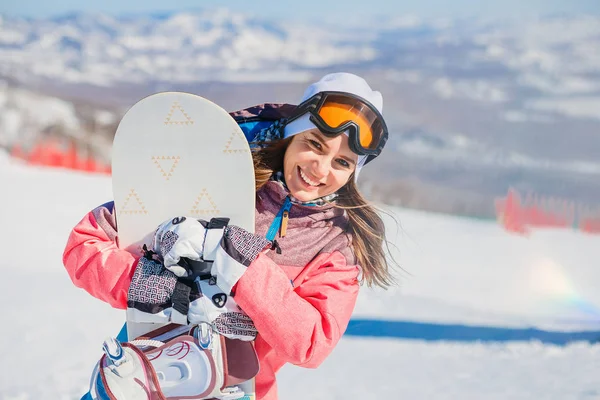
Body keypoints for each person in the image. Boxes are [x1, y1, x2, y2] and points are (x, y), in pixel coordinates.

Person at [63, 72, 396, 400]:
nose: (321, 170)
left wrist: (242, 268)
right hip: (142, 378)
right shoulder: (217, 180)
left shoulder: (336, 244)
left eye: (342, 162)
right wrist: (154, 288)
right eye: (313, 144)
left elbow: (311, 343)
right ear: (291, 137)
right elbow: (85, 244)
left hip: (237, 391)